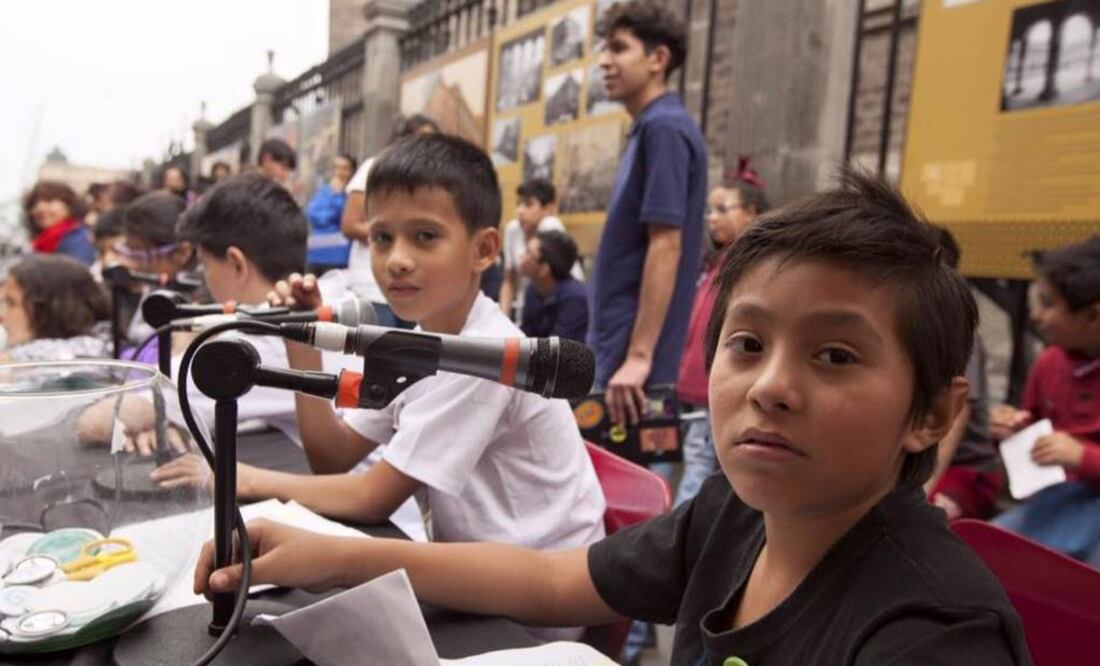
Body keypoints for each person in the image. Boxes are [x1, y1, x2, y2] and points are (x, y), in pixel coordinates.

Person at [195, 170, 1032, 665]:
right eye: (747, 344)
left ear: (930, 413)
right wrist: (326, 559)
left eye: (835, 356)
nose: (770, 387)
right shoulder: (736, 514)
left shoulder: (936, 633)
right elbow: (558, 579)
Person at [219, 135, 605, 568]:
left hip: (530, 610)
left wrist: (240, 478)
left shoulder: (483, 357)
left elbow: (371, 498)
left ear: (483, 250)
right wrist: (301, 343)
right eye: (382, 237)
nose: (396, 259)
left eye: (425, 236)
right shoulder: (420, 341)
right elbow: (332, 458)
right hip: (475, 575)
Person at [589, 0, 707, 430]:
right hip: (618, 346)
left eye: (619, 48)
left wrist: (639, 356)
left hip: (632, 362)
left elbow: (667, 242)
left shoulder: (665, 129)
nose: (605, 61)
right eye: (605, 48)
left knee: (622, 484)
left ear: (658, 59)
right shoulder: (651, 127)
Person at [990, 235, 1100, 566]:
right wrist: (1015, 432)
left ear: (1092, 317)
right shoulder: (1048, 363)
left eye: (1048, 304)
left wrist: (1082, 456)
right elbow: (1035, 431)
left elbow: (1077, 456)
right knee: (988, 556)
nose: (1035, 315)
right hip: (1054, 503)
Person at [673, 170, 768, 507]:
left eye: (722, 209)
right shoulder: (713, 264)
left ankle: (680, 544)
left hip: (711, 384)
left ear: (753, 212)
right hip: (691, 382)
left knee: (699, 466)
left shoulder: (751, 268)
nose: (712, 219)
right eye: (709, 211)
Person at [924, 227, 1003, 520]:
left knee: (929, 518)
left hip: (966, 469)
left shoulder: (959, 332)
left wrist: (924, 488)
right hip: (915, 459)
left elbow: (957, 419)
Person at [340, 113, 439, 327]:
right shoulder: (374, 167)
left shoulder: (432, 180)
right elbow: (350, 224)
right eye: (420, 140)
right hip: (371, 287)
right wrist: (389, 236)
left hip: (414, 288)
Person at [0, 254, 110, 362]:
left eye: (12, 303)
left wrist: (13, 360)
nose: (2, 315)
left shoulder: (94, 356)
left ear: (46, 310)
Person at [499, 178, 577, 321]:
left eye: (528, 205)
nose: (520, 210)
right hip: (530, 301)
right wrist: (502, 319)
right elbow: (509, 279)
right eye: (519, 204)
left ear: (547, 209)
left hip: (559, 304)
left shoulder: (551, 226)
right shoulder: (512, 229)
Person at [518, 229, 588, 342]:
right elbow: (525, 337)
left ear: (543, 269)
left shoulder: (576, 300)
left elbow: (557, 352)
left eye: (528, 252)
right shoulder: (533, 290)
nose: (522, 256)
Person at [305, 153, 356, 274]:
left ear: (352, 172)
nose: (339, 172)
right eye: (336, 167)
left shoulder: (352, 194)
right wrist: (331, 215)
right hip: (315, 254)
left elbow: (345, 216)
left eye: (344, 168)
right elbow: (312, 214)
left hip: (337, 255)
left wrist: (338, 195)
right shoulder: (324, 191)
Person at [22, 180, 95, 265]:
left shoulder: (77, 238)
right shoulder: (39, 242)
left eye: (49, 201)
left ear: (69, 205)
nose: (40, 208)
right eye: (34, 204)